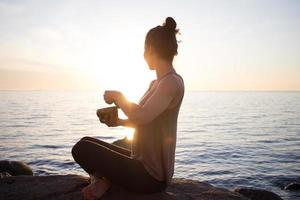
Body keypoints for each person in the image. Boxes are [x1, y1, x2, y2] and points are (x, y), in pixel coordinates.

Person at [72, 16, 185, 200]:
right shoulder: (156, 83)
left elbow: (141, 116)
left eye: (144, 49)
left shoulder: (172, 82)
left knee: (81, 149)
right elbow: (145, 121)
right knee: (87, 141)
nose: (143, 55)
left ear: (150, 49)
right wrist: (118, 122)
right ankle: (106, 181)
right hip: (139, 161)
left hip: (151, 177)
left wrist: (118, 96)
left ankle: (102, 182)